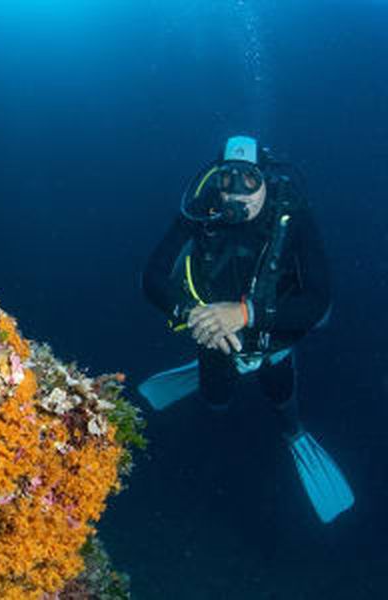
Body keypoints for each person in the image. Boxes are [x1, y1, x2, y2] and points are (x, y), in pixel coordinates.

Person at [139, 135, 353, 524]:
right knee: (216, 402)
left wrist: (245, 314)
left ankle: (294, 434)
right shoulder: (200, 211)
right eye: (227, 180)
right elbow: (151, 277)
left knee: (281, 399)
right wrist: (193, 315)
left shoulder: (294, 215)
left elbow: (318, 301)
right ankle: (219, 424)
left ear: (267, 181)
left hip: (273, 339)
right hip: (212, 338)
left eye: (249, 181)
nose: (237, 195)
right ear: (215, 180)